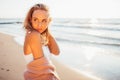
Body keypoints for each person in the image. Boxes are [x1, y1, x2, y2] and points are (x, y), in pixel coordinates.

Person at [23, 3, 60, 80]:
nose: (39, 25)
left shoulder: (39, 36)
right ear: (30, 20)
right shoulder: (33, 34)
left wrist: (47, 29)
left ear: (48, 21)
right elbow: (43, 70)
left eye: (44, 20)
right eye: (35, 19)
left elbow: (56, 52)